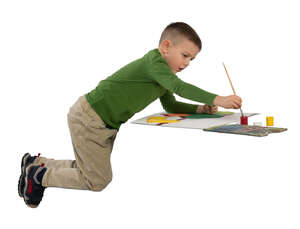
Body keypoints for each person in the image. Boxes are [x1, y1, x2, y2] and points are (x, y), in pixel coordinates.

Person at [18, 22, 242, 208]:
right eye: (185, 55)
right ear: (166, 46)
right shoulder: (154, 63)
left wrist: (200, 109)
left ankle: (37, 163)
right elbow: (179, 87)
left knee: (90, 169)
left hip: (100, 122)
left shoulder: (163, 74)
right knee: (97, 180)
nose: (187, 63)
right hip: (90, 118)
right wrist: (217, 99)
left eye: (191, 59)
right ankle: (39, 177)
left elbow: (171, 104)